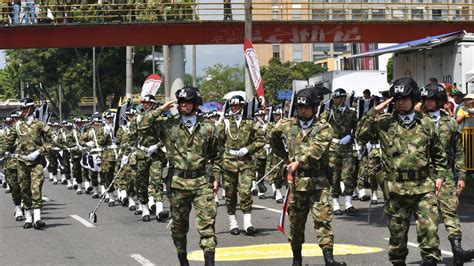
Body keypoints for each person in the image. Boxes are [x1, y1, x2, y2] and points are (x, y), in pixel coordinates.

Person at [356, 77, 446, 265]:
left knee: (429, 234)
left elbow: (439, 153)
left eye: (404, 98)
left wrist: (440, 176)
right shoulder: (384, 123)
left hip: (423, 188)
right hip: (396, 190)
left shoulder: (426, 123)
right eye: (396, 99)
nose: (400, 102)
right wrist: (374, 111)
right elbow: (360, 135)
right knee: (397, 240)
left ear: (414, 99)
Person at [144, 87, 221, 265]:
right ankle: (182, 260)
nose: (183, 105)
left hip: (202, 181)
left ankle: (210, 262)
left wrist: (216, 177)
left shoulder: (208, 127)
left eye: (187, 102)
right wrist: (160, 109)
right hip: (177, 183)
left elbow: (217, 155)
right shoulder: (168, 124)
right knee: (179, 227)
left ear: (195, 104)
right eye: (180, 102)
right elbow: (141, 125)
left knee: (207, 226)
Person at [270, 88, 346, 266]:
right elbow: (273, 137)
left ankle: (329, 259)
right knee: (296, 224)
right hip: (296, 184)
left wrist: (298, 162)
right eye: (300, 107)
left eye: (307, 107)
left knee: (323, 221)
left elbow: (317, 150)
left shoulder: (324, 128)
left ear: (314, 107)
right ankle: (297, 259)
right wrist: (286, 158)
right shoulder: (287, 124)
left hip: (318, 183)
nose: (303, 110)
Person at [420, 84, 474, 265]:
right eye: (426, 99)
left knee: (451, 212)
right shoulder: (417, 121)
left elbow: (458, 151)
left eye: (431, 99)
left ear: (441, 101)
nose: (428, 102)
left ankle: (457, 250)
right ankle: (431, 255)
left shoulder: (450, 122)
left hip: (447, 175)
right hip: (424, 175)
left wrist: (462, 176)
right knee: (428, 217)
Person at [0, 97, 53, 229]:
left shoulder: (40, 124)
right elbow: (8, 143)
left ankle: (37, 218)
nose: (23, 111)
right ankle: (28, 217)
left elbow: (49, 142)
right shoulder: (17, 126)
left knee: (36, 187)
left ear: (32, 108)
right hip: (22, 162)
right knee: (24, 190)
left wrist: (39, 151)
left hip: (36, 161)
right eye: (22, 109)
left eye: (25, 108)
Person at [218, 95, 265, 236]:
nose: (234, 108)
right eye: (232, 106)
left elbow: (261, 139)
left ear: (242, 106)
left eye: (237, 106)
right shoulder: (225, 122)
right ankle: (233, 223)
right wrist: (220, 123)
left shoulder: (250, 122)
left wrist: (248, 149)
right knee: (230, 194)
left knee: (245, 192)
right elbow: (217, 140)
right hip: (228, 162)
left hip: (245, 162)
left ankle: (248, 224)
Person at [326, 88, 359, 215]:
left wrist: (351, 136)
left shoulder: (351, 113)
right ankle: (335, 204)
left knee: (348, 175)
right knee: (333, 176)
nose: (336, 100)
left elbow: (358, 129)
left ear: (344, 99)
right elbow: (320, 126)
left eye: (338, 98)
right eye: (334, 98)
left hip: (347, 148)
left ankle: (348, 203)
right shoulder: (329, 113)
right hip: (333, 148)